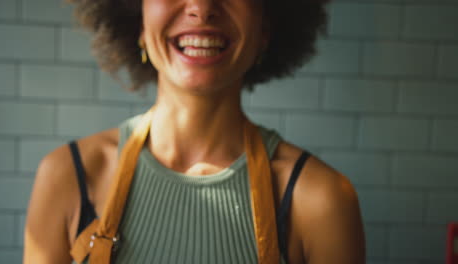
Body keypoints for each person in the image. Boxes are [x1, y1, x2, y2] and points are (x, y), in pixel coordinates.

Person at [24, 0, 365, 263]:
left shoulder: (323, 200)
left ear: (265, 26)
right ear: (138, 21)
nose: (202, 8)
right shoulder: (66, 176)